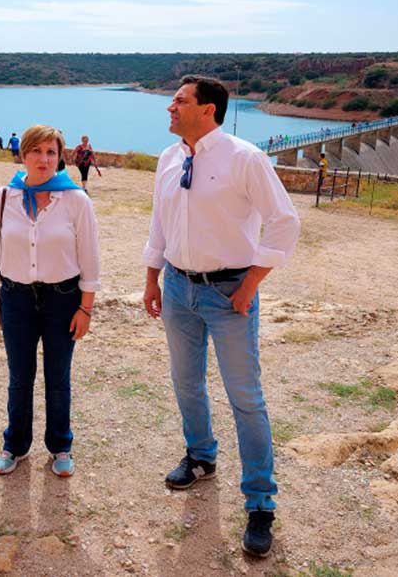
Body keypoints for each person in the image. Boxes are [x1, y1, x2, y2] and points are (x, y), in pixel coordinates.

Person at [142, 75, 300, 559]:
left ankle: (260, 503)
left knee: (245, 398)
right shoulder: (170, 158)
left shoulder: (245, 158)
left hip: (229, 292)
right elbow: (159, 223)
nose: (170, 107)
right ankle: (200, 457)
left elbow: (285, 222)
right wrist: (152, 277)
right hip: (177, 287)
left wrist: (251, 284)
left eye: (179, 101)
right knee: (186, 382)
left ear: (207, 109)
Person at [0, 125, 100, 478]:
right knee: (20, 376)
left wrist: (86, 307)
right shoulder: (4, 197)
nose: (44, 159)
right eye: (37, 151)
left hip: (63, 298)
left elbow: (90, 260)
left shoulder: (76, 200)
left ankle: (60, 445)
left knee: (58, 376)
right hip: (16, 298)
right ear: (24, 154)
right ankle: (15, 445)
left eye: (51, 152)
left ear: (60, 156)